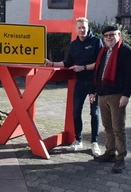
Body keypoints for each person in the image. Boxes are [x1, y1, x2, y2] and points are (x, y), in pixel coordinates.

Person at [45, 17, 103, 156]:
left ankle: (95, 143)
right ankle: (78, 140)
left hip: (94, 83)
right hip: (80, 83)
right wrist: (51, 63)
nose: (82, 30)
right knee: (76, 111)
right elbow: (68, 62)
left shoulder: (96, 42)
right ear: (76, 29)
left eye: (84, 27)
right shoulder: (74, 44)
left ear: (88, 27)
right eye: (79, 28)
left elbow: (100, 63)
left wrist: (83, 67)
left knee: (94, 113)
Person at [89, 25, 131, 173]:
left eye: (112, 34)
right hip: (102, 95)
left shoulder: (126, 51)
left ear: (118, 35)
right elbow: (97, 73)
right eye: (106, 35)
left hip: (117, 95)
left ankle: (120, 158)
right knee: (108, 127)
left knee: (118, 128)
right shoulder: (103, 51)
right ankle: (109, 153)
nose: (109, 37)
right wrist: (92, 91)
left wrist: (126, 95)